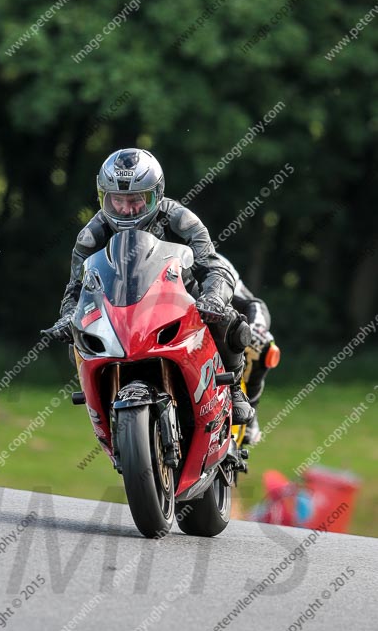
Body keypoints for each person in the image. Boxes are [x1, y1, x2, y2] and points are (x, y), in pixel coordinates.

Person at [43, 148, 254, 425]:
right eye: (117, 200)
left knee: (230, 322)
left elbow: (214, 267)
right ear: (103, 197)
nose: (126, 209)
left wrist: (213, 297)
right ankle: (100, 404)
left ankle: (234, 388)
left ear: (157, 194)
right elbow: (74, 289)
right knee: (79, 338)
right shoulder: (91, 235)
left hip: (181, 302)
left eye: (136, 200)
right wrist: (67, 318)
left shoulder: (181, 220)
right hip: (117, 313)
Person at [217, 255, 275, 444]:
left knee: (261, 344)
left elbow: (253, 304)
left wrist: (256, 328)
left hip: (212, 333)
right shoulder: (130, 259)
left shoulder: (208, 257)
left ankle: (249, 409)